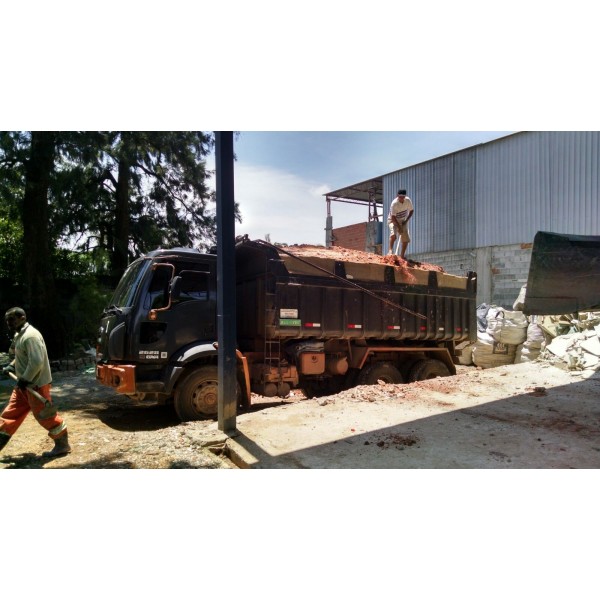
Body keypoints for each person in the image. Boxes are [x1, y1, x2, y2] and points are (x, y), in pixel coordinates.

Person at [0, 307, 71, 458]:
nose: (8, 323)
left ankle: (62, 445)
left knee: (45, 416)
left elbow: (36, 362)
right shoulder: (20, 335)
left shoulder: (31, 336)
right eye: (7, 320)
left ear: (22, 317)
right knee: (9, 414)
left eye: (11, 319)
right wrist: (12, 365)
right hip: (24, 385)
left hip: (35, 385)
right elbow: (22, 356)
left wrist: (25, 379)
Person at [387, 189, 414, 259]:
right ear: (397, 196)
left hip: (403, 220)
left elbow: (411, 211)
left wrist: (406, 220)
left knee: (405, 239)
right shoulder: (394, 204)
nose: (401, 198)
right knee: (393, 235)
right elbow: (393, 217)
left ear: (405, 196)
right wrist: (399, 227)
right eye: (400, 197)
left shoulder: (408, 200)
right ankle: (390, 251)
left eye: (403, 197)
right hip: (393, 220)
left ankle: (402, 256)